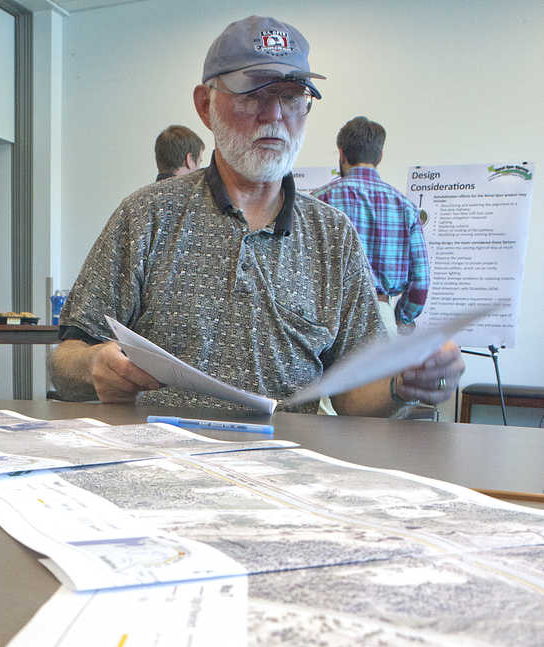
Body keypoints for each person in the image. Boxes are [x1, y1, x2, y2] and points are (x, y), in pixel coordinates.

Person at [50, 15, 463, 415]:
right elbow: (65, 359)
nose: (274, 115)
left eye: (290, 96)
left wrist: (403, 383)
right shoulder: (145, 216)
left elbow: (352, 393)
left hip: (288, 468)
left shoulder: (333, 236)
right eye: (253, 94)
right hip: (165, 461)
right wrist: (92, 365)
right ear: (205, 105)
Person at [311, 116, 429, 338]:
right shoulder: (405, 207)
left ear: (342, 153)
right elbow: (420, 282)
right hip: (381, 313)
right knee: (381, 374)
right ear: (380, 156)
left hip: (327, 319)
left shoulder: (318, 201)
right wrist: (399, 318)